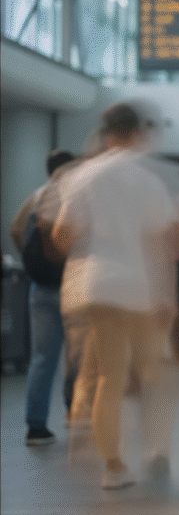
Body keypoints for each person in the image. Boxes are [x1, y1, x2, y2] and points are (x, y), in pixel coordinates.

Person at [48, 103, 179, 489]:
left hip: (96, 286)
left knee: (109, 376)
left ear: (106, 133)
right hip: (139, 288)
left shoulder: (82, 176)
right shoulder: (148, 180)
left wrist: (89, 251)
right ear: (137, 134)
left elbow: (61, 235)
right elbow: (160, 242)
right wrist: (166, 295)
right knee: (151, 372)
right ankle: (156, 450)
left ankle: (113, 467)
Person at [10, 149, 78, 445]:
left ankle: (36, 426)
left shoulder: (36, 196)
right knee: (76, 357)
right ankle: (75, 414)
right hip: (71, 286)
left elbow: (15, 229)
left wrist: (30, 258)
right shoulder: (75, 196)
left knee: (42, 359)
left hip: (40, 287)